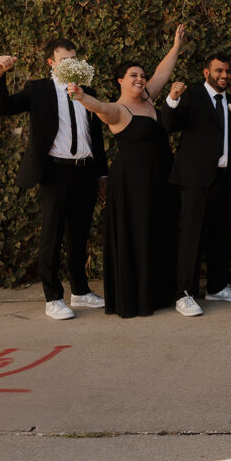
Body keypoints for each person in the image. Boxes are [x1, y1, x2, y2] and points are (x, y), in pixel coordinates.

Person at [65, 26, 184, 318]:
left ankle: (158, 292)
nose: (141, 79)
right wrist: (80, 96)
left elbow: (162, 73)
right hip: (132, 183)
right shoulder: (118, 110)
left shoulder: (150, 100)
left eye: (142, 76)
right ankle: (137, 297)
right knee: (138, 235)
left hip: (159, 180)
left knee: (158, 233)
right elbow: (99, 106)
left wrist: (177, 44)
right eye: (134, 76)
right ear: (120, 80)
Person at [0, 39, 109, 320]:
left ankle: (80, 291)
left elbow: (97, 138)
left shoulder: (86, 91)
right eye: (65, 59)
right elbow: (4, 107)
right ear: (51, 63)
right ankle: (53, 297)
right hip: (55, 172)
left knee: (79, 235)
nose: (71, 62)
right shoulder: (39, 89)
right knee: (52, 236)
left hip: (84, 171)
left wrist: (102, 173)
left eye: (75, 57)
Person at [162, 53, 231, 317]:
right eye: (218, 71)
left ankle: (217, 285)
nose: (224, 75)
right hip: (195, 180)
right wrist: (172, 99)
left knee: (220, 234)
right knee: (191, 238)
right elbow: (169, 124)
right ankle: (184, 293)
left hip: (227, 181)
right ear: (206, 72)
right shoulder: (191, 97)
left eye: (227, 71)